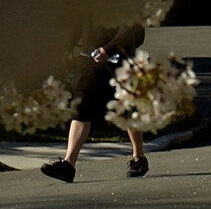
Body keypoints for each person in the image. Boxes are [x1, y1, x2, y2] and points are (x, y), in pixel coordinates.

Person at [40, 20, 149, 183]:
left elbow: (130, 28)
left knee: (127, 108)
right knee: (82, 106)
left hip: (120, 59)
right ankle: (68, 164)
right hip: (89, 58)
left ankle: (139, 157)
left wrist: (109, 49)